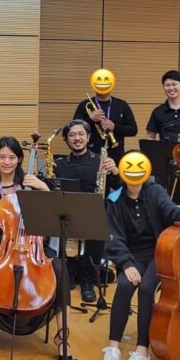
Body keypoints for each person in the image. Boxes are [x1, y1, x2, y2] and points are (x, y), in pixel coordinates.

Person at [0, 136, 66, 360]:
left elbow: (56, 215)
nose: (7, 162)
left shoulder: (32, 184)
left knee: (61, 269)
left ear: (19, 160)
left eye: (12, 157)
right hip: (2, 247)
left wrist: (45, 188)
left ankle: (62, 338)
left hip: (34, 247)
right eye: (2, 157)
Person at [98, 152, 180, 360]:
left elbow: (171, 210)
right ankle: (113, 348)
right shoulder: (115, 199)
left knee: (147, 288)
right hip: (132, 255)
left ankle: (142, 353)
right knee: (124, 285)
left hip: (160, 252)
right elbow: (114, 237)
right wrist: (126, 264)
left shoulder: (155, 191)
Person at [52, 119, 117, 303]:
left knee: (96, 231)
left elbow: (118, 188)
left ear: (88, 137)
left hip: (93, 214)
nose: (77, 138)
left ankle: (88, 282)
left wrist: (115, 171)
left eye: (81, 134)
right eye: (72, 135)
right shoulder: (60, 165)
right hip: (68, 214)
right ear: (66, 140)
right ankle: (71, 274)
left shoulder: (101, 161)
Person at [73, 68, 137, 160]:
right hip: (90, 154)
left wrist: (114, 127)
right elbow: (73, 129)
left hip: (116, 154)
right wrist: (90, 120)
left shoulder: (122, 105)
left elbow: (133, 130)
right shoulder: (84, 105)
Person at [145, 70, 180, 142]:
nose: (171, 88)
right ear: (164, 87)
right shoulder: (158, 111)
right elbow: (150, 136)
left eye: (174, 84)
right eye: (167, 85)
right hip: (164, 149)